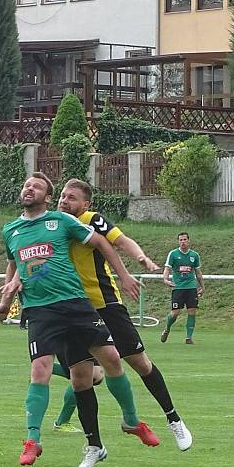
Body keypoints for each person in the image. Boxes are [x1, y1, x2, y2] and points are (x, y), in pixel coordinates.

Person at [0, 173, 154, 467]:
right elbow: (15, 265)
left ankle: (131, 420)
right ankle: (33, 439)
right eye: (26, 184)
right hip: (39, 311)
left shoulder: (62, 222)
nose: (29, 188)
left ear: (47, 197)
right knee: (40, 369)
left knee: (112, 360)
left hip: (75, 303)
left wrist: (124, 273)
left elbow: (103, 243)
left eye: (37, 186)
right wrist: (5, 302)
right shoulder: (11, 230)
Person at [49, 179, 193, 451]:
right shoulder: (51, 225)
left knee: (139, 362)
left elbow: (121, 240)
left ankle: (173, 418)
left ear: (86, 205)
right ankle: (95, 444)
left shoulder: (92, 220)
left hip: (106, 304)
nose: (65, 201)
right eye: (63, 196)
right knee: (85, 375)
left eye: (72, 198)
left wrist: (141, 259)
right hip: (72, 311)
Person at [160, 232, 205, 344]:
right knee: (175, 313)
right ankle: (167, 329)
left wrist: (202, 287)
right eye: (181, 240)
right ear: (178, 241)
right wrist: (165, 279)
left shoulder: (194, 255)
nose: (183, 242)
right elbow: (167, 268)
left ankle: (188, 337)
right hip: (178, 287)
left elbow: (198, 273)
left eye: (185, 240)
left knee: (192, 311)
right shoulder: (173, 254)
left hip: (191, 287)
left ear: (188, 241)